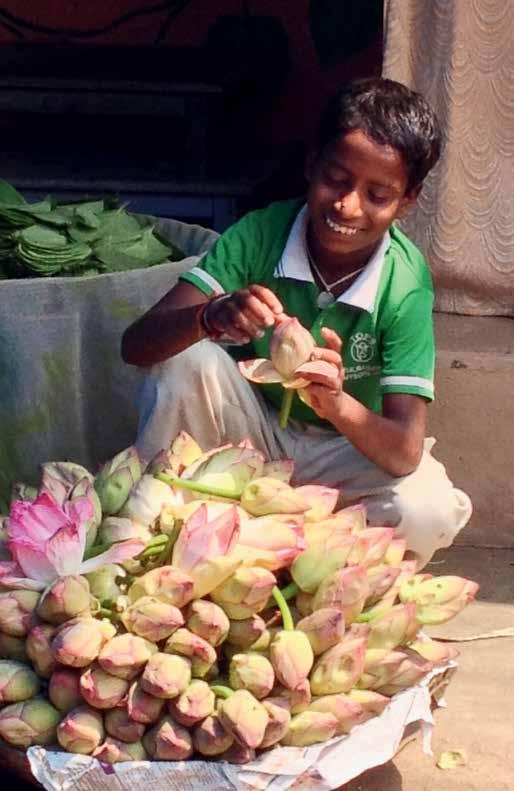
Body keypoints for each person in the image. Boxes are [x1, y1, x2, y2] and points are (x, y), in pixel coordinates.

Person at [121, 77, 472, 569]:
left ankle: (304, 557)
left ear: (406, 201)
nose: (348, 206)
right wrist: (209, 316)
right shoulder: (261, 234)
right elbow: (137, 345)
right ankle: (171, 533)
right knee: (187, 359)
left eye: (377, 195)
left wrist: (334, 403)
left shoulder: (404, 283)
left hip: (343, 450)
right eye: (336, 179)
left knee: (426, 511)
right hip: (249, 435)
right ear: (311, 165)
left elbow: (403, 452)